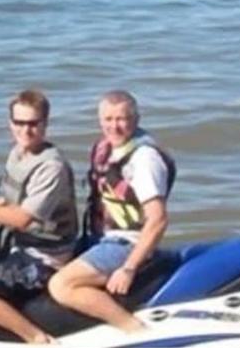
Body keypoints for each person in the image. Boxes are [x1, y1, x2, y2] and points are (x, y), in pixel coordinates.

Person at [0, 89, 78, 344]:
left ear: (45, 124)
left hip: (46, 259)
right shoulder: (18, 154)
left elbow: (22, 219)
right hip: (21, 247)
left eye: (33, 123)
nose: (25, 130)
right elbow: (8, 201)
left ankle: (37, 339)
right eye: (19, 122)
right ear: (10, 123)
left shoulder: (51, 167)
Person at [48, 90, 176, 333]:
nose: (114, 126)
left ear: (136, 120)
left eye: (121, 119)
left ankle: (134, 330)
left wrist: (129, 268)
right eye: (108, 119)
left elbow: (158, 220)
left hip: (127, 243)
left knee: (61, 285)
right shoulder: (105, 149)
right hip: (102, 238)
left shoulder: (144, 160)